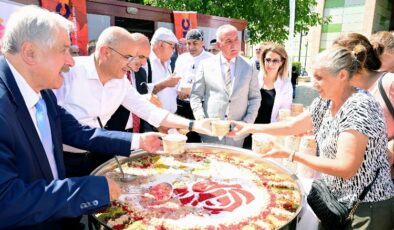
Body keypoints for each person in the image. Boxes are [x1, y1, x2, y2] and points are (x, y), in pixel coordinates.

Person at [0, 5, 163, 229]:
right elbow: (6, 203)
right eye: (64, 50)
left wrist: (138, 141)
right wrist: (91, 189)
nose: (71, 61)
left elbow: (78, 132)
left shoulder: (43, 92)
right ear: (30, 53)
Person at [231, 47, 394, 229]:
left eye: (319, 77)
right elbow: (291, 126)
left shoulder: (359, 107)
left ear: (341, 75)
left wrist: (291, 154)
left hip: (365, 208)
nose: (314, 83)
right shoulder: (325, 101)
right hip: (336, 202)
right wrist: (249, 127)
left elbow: (346, 167)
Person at [54, 27, 212, 177]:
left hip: (100, 153)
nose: (132, 64)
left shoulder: (121, 81)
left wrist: (193, 125)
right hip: (64, 159)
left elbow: (149, 111)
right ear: (105, 52)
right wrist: (139, 141)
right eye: (127, 57)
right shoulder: (68, 73)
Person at [333, 32, 394, 180]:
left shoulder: (389, 83)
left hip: (382, 180)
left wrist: (392, 147)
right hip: (354, 178)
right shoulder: (346, 90)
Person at [190, 24, 261, 147]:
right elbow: (195, 95)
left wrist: (247, 123)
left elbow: (255, 98)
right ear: (219, 45)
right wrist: (201, 119)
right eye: (228, 41)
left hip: (237, 133)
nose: (234, 44)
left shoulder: (249, 66)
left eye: (236, 39)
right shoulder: (205, 65)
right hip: (211, 132)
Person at [243, 43, 292, 149]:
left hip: (267, 136)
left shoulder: (285, 85)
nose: (270, 64)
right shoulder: (253, 78)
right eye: (268, 60)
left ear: (282, 62)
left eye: (275, 61)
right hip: (247, 131)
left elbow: (283, 115)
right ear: (263, 60)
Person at [174, 29, 212, 142]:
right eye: (188, 43)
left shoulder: (211, 59)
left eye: (195, 43)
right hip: (182, 104)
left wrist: (192, 90)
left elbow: (214, 85)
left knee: (200, 138)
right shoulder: (182, 58)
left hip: (202, 105)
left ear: (202, 42)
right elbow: (176, 79)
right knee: (182, 137)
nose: (191, 47)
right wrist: (179, 91)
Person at [147, 27, 182, 114]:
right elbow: (142, 93)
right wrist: (165, 83)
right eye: (172, 46)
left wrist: (180, 91)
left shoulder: (168, 62)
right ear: (161, 44)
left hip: (170, 117)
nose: (174, 51)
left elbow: (169, 91)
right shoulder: (145, 62)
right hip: (153, 122)